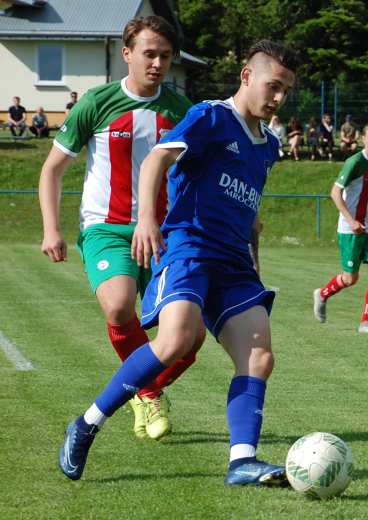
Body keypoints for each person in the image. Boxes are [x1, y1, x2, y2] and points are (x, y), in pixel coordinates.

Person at [58, 39, 295, 485]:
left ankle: (242, 461)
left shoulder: (269, 146)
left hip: (235, 264)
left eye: (286, 91)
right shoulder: (211, 116)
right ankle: (86, 424)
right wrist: (147, 217)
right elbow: (156, 160)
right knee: (176, 340)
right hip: (190, 247)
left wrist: (255, 261)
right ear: (247, 76)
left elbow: (251, 216)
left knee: (259, 356)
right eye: (273, 86)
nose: (278, 98)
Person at [39, 15, 203, 442]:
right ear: (127, 54)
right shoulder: (96, 102)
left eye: (165, 56)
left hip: (165, 234)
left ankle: (138, 388)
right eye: (149, 53)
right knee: (118, 306)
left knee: (192, 339)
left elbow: (200, 172)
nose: (158, 63)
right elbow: (53, 170)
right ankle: (148, 394)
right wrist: (51, 229)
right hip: (106, 228)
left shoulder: (183, 112)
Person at [312, 122, 368, 335]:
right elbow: (334, 193)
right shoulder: (355, 162)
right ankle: (322, 294)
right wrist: (350, 221)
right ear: (362, 139)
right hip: (351, 229)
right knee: (350, 279)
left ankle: (365, 324)